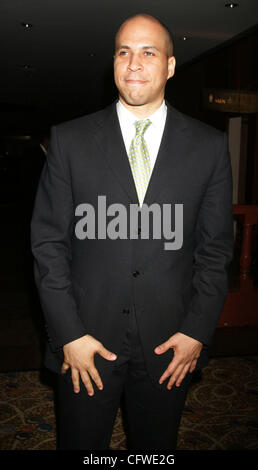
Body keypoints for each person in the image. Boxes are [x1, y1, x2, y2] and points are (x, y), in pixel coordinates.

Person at [30, 13, 234, 450]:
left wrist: (197, 330)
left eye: (148, 52)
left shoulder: (209, 147)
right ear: (114, 62)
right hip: (85, 340)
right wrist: (69, 334)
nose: (134, 62)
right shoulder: (70, 141)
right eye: (124, 51)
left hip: (170, 344)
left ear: (171, 66)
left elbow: (215, 250)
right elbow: (48, 245)